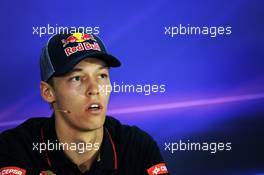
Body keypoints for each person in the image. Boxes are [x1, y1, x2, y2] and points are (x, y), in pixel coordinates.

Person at [0, 31, 169, 175]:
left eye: (102, 76)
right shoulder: (15, 149)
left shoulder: (137, 147)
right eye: (77, 78)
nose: (94, 89)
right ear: (48, 92)